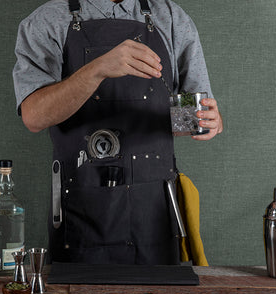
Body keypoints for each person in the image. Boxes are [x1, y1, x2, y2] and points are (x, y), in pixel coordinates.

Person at [13, 0, 223, 265]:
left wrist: (209, 121)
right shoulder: (46, 21)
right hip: (81, 212)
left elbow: (191, 117)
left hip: (155, 214)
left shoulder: (171, 18)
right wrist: (98, 69)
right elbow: (34, 116)